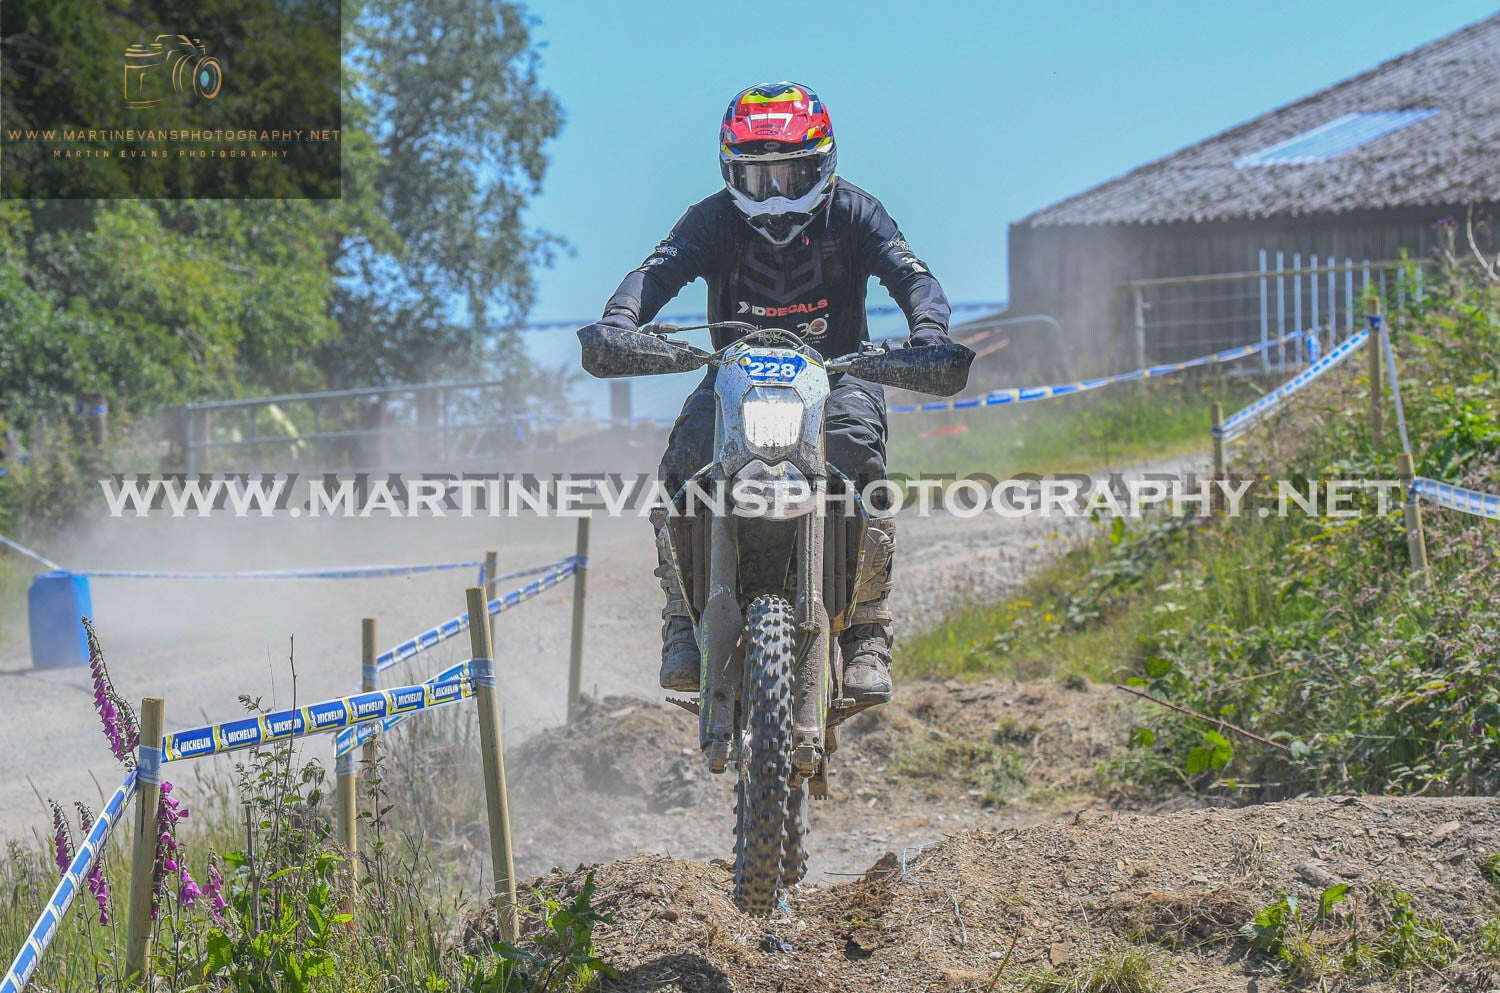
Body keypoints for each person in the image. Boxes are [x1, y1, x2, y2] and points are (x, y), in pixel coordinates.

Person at [590, 81, 952, 704]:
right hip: (731, 376)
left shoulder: (857, 213)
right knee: (683, 460)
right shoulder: (710, 219)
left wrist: (930, 333)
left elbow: (912, 275)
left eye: (790, 174)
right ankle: (681, 615)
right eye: (758, 178)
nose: (775, 194)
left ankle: (868, 628)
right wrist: (620, 320)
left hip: (840, 373)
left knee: (859, 455)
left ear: (823, 165)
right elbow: (653, 273)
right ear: (731, 172)